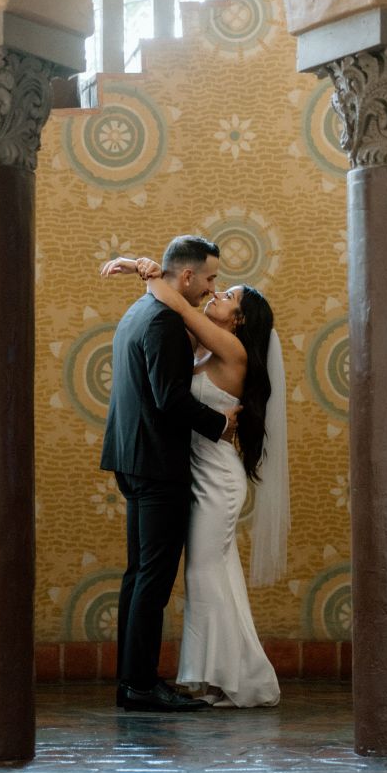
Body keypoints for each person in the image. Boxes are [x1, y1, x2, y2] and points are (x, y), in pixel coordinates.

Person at [102, 254, 289, 708]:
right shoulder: (206, 347)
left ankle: (215, 676)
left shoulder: (234, 350)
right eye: (213, 283)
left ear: (240, 320)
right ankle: (213, 674)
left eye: (225, 295)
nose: (214, 293)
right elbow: (173, 305)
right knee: (206, 574)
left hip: (217, 478)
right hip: (191, 470)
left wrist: (148, 271)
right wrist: (145, 267)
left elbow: (178, 304)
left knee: (204, 573)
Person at [100, 235, 239, 713]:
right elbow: (169, 399)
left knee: (138, 574)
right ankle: (140, 685)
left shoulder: (141, 311)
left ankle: (130, 681)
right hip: (158, 464)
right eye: (210, 278)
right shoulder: (163, 323)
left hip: (132, 457)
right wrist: (220, 425)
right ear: (186, 276)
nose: (211, 286)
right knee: (153, 579)